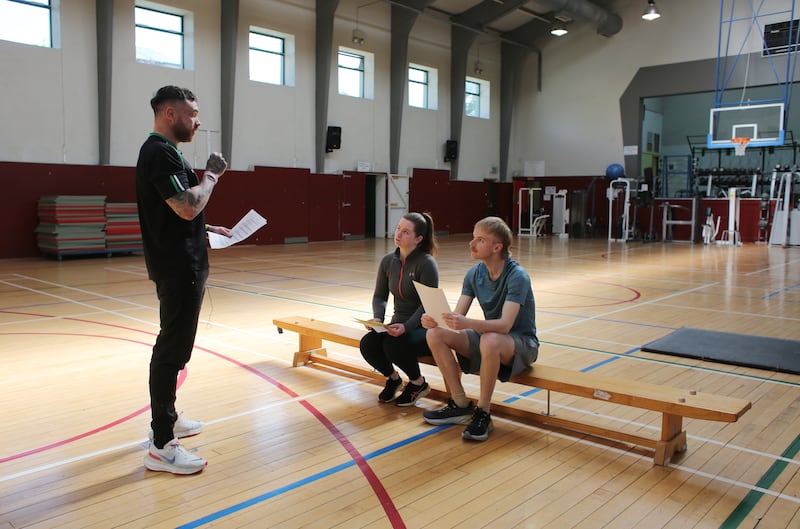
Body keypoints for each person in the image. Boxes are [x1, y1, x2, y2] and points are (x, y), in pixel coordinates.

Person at [136, 85, 231, 474]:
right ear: (170, 114)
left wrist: (207, 230)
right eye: (192, 113)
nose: (197, 121)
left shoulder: (167, 153)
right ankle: (161, 444)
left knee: (176, 350)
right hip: (178, 268)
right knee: (171, 351)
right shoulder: (158, 152)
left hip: (183, 263)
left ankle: (168, 419)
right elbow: (187, 207)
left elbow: (178, 215)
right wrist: (211, 176)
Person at [420, 216, 538, 442]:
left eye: (480, 240)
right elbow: (457, 317)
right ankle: (460, 404)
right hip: (489, 338)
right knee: (435, 334)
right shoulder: (474, 274)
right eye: (473, 238)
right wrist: (436, 320)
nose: (471, 244)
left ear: (497, 247)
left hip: (521, 344)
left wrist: (466, 323)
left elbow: (505, 325)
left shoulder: (517, 276)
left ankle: (483, 412)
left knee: (490, 340)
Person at [360, 212, 439, 406]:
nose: (398, 234)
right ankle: (393, 379)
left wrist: (407, 327)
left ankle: (418, 383)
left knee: (393, 345)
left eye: (406, 232)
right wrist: (378, 319)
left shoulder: (426, 263)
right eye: (398, 229)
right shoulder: (388, 261)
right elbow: (380, 296)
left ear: (418, 239)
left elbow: (428, 304)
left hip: (424, 328)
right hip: (399, 324)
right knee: (368, 343)